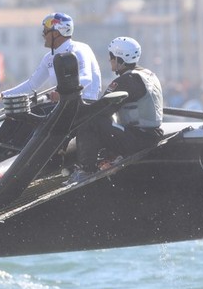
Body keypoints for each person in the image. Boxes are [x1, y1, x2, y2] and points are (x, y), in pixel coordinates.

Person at [67, 36, 164, 183]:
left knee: (90, 122)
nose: (109, 60)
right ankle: (105, 159)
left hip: (139, 139)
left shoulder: (127, 80)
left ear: (119, 59)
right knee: (101, 122)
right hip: (149, 135)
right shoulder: (147, 74)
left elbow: (100, 111)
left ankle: (86, 171)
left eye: (111, 57)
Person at [0, 11, 102, 105]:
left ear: (57, 33)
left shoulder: (79, 49)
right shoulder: (49, 58)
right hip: (65, 104)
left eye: (45, 31)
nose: (43, 35)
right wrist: (2, 95)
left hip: (86, 105)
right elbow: (31, 85)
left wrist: (62, 92)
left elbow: (86, 78)